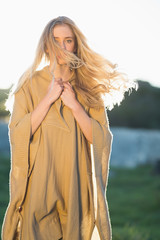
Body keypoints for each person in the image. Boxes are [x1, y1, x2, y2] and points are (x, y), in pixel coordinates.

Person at [2, 16, 138, 240]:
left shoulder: (89, 87)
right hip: (39, 187)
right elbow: (17, 134)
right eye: (55, 40)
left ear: (75, 45)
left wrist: (75, 106)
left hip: (76, 187)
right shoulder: (28, 83)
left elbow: (101, 138)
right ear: (46, 44)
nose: (62, 47)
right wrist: (48, 99)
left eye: (68, 40)